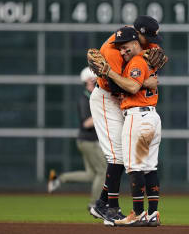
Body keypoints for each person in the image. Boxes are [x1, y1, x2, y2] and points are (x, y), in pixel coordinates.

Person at [89, 16, 162, 225]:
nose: (150, 42)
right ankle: (111, 209)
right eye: (146, 37)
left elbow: (156, 55)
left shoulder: (137, 40)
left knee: (126, 157)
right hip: (106, 98)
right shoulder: (113, 53)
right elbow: (118, 88)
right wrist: (145, 81)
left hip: (127, 103)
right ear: (136, 35)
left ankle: (103, 203)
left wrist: (143, 78)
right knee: (118, 156)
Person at [47, 67, 107, 211]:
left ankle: (59, 179)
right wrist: (103, 112)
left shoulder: (92, 97)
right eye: (95, 80)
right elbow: (86, 123)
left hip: (87, 141)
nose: (98, 83)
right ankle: (94, 204)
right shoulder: (84, 99)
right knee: (103, 171)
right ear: (88, 81)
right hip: (88, 141)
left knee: (91, 175)